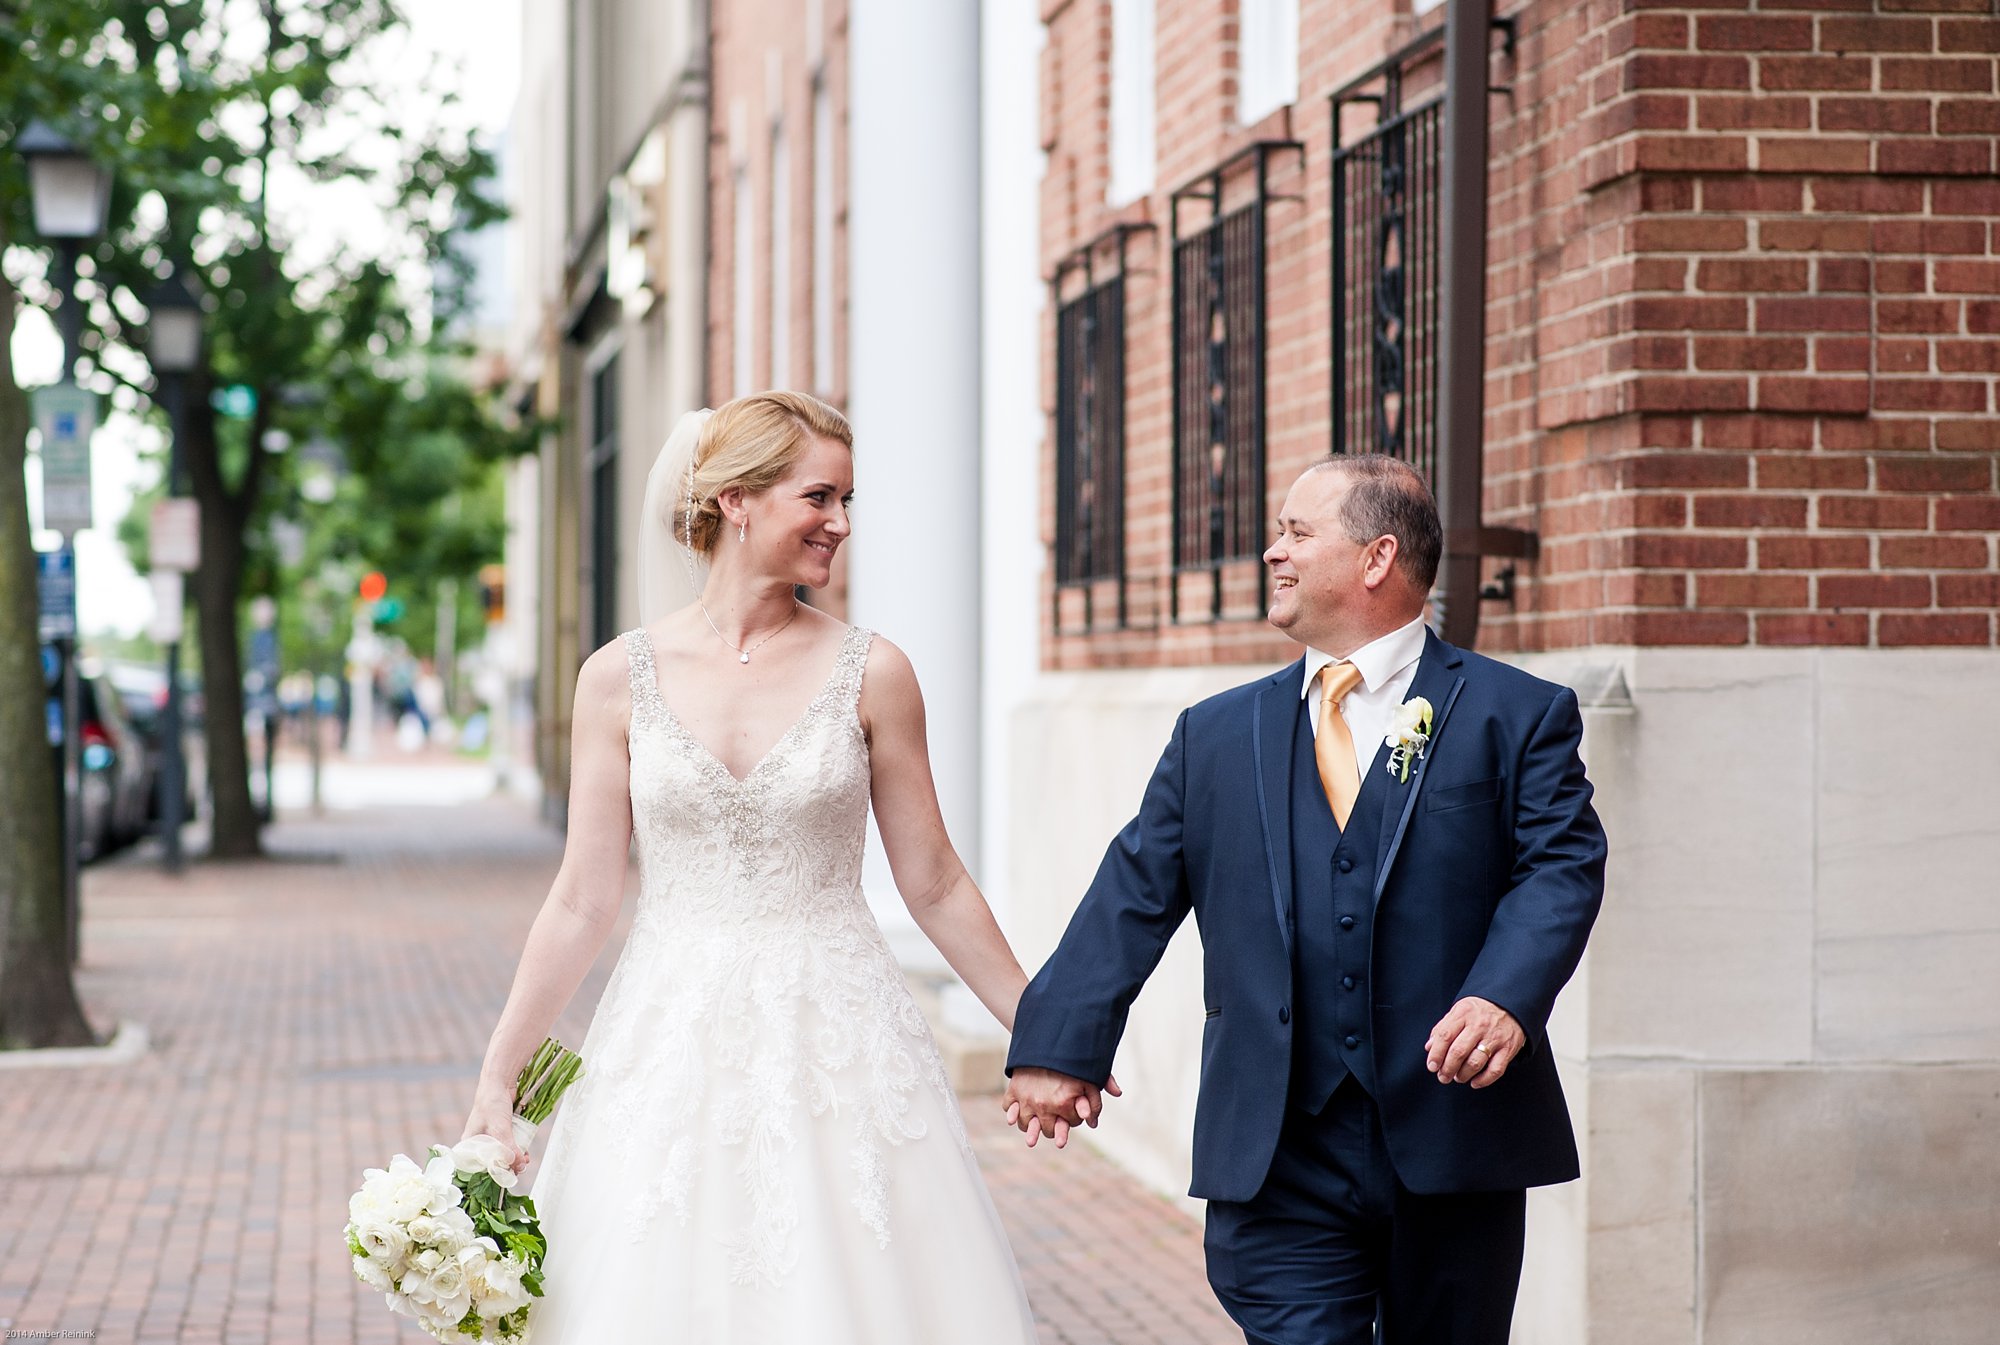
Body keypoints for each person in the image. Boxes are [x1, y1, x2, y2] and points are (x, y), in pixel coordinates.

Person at [460, 392, 1039, 1343]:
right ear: (735, 499)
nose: (840, 524)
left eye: (849, 501)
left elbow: (932, 880)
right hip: (666, 1033)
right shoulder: (617, 677)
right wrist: (500, 1076)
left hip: (838, 1039)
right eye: (819, 496)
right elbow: (582, 896)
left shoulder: (874, 671)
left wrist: (1046, 1028)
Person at [1004, 455, 1607, 1345]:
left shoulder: (1515, 715)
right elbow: (1133, 891)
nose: (1269, 551)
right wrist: (1061, 1043)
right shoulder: (1215, 735)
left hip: (1452, 1135)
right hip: (1278, 1146)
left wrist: (1503, 993)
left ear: (1377, 557)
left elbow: (1562, 864)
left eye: (1296, 531)